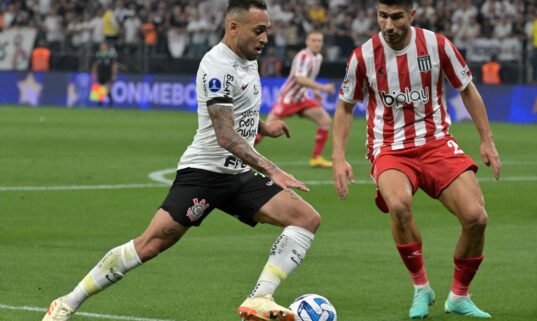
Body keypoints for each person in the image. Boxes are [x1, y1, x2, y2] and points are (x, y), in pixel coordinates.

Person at [42, 1, 320, 321]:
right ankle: (66, 303)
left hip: (238, 173)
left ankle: (260, 297)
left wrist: (265, 127)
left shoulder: (249, 59)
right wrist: (274, 169)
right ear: (233, 27)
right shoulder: (217, 65)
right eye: (259, 30)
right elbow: (225, 135)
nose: (265, 38)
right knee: (149, 245)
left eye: (267, 31)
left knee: (305, 219)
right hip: (203, 173)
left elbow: (239, 107)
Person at [332, 0, 501, 319]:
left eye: (397, 17)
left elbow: (467, 89)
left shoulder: (437, 46)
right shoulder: (363, 56)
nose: (389, 25)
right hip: (389, 147)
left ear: (412, 14)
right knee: (398, 205)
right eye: (383, 16)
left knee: (476, 218)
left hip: (437, 143)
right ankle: (421, 288)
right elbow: (344, 106)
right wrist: (338, 157)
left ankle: (459, 296)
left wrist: (487, 140)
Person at [256, 30, 336, 168]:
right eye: (314, 40)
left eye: (319, 41)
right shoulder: (303, 56)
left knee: (325, 120)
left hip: (302, 99)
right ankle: (239, 153)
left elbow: (308, 78)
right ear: (307, 42)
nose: (317, 43)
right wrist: (322, 88)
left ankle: (316, 158)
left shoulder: (318, 58)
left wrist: (315, 91)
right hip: (288, 98)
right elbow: (300, 79)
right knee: (266, 129)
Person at [91, 42, 118, 107]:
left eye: (104, 46)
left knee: (108, 87)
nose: (102, 47)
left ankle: (110, 102)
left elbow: (114, 65)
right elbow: (95, 65)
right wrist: (94, 74)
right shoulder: (98, 54)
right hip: (100, 73)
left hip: (108, 73)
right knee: (100, 88)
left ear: (106, 46)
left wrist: (114, 74)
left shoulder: (110, 55)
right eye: (101, 46)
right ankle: (100, 103)